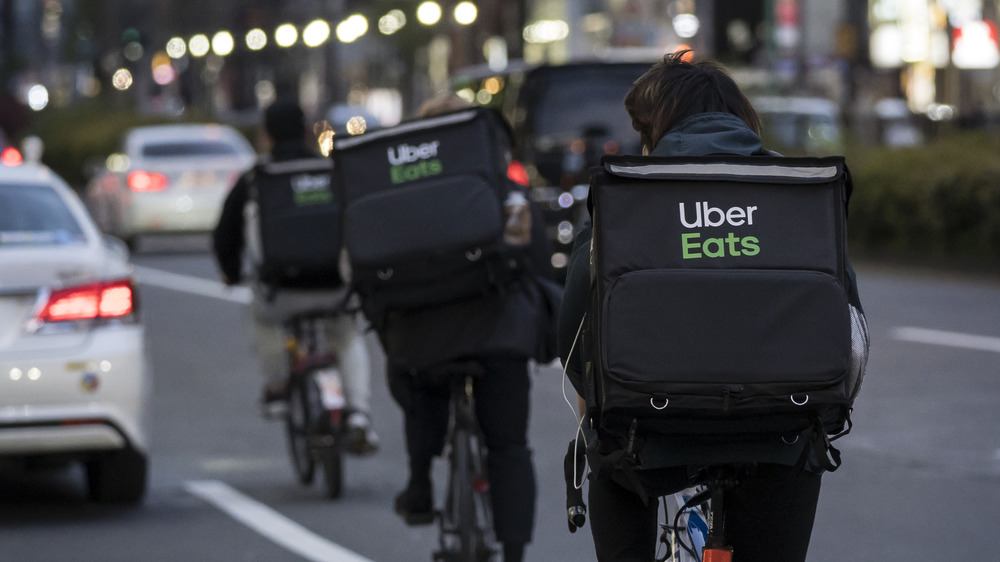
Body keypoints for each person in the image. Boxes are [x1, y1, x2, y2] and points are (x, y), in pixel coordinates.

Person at [558, 51, 863, 561]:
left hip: (647, 440)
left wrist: (597, 403)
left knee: (611, 466)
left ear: (652, 130)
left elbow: (572, 326)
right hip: (780, 434)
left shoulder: (629, 193)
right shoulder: (796, 191)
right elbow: (850, 328)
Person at [373, 93, 555, 562]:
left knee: (417, 379)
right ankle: (513, 550)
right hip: (501, 333)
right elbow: (532, 258)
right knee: (510, 446)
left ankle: (419, 483)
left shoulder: (399, 193)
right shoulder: (503, 187)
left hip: (423, 335)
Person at [212, 99, 378, 454]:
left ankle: (277, 387)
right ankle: (359, 414)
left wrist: (231, 274)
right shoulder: (333, 169)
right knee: (347, 337)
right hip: (335, 285)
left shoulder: (257, 177)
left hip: (281, 290)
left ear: (267, 135)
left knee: (262, 319)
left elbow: (225, 234)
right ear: (307, 129)